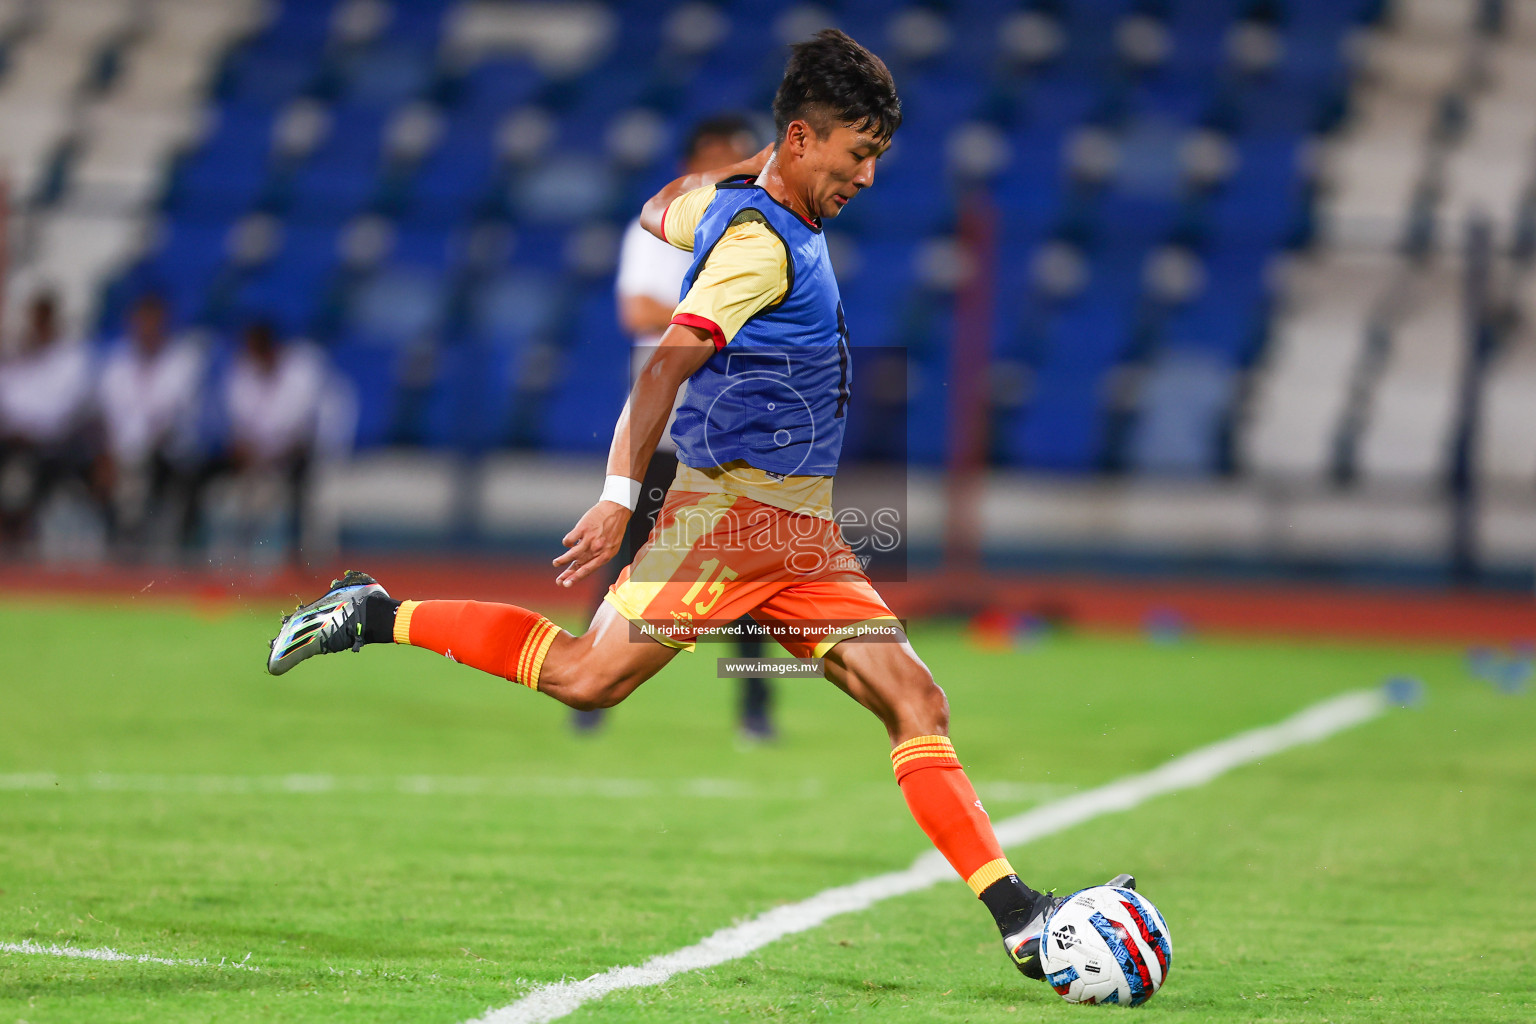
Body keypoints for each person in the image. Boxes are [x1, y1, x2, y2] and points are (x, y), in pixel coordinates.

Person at [266, 30, 1133, 985]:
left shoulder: (737, 204)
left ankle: (1018, 919)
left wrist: (757, 164)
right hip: (727, 523)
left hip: (796, 533)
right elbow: (670, 362)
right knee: (589, 679)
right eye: (856, 151)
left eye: (878, 154)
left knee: (916, 699)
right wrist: (617, 496)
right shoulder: (760, 247)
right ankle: (376, 612)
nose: (869, 176)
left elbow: (653, 208)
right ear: (803, 138)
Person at [575, 113, 777, 739]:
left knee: (744, 572)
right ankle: (584, 687)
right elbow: (637, 308)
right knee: (627, 558)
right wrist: (719, 316)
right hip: (668, 428)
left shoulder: (756, 230)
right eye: (731, 156)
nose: (743, 167)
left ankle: (754, 713)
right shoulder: (663, 229)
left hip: (734, 427)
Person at [92, 292, 207, 554]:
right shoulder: (117, 364)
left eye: (152, 322)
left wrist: (133, 453)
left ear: (164, 323)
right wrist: (108, 456)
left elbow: (168, 420)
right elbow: (106, 417)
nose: (146, 329)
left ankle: (155, 548)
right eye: (141, 322)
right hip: (123, 456)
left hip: (169, 457)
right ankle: (115, 549)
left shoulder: (183, 361)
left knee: (143, 475)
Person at [212, 319, 327, 562]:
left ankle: (297, 555)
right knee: (208, 470)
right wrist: (249, 453)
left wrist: (272, 457)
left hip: (289, 457)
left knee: (300, 475)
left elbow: (301, 431)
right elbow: (238, 427)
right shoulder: (241, 373)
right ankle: (230, 553)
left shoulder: (301, 375)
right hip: (254, 458)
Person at [0, 290, 93, 547]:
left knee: (29, 474)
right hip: (11, 443)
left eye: (41, 321)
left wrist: (28, 428)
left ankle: (27, 537)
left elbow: (62, 413)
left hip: (53, 447)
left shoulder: (71, 360)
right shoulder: (16, 359)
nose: (35, 328)